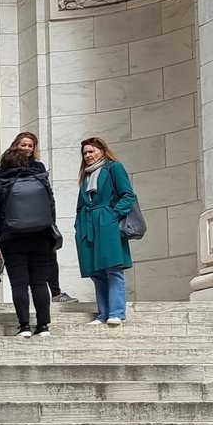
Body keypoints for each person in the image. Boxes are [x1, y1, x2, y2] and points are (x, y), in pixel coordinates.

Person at [0, 131, 62, 337]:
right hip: (41, 237)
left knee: (19, 284)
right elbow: (51, 208)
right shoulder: (41, 180)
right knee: (39, 282)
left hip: (12, 239)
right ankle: (43, 326)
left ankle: (25, 326)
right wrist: (51, 232)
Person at [74, 136, 137, 327]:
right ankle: (103, 314)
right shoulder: (86, 176)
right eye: (85, 153)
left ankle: (116, 312)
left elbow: (128, 195)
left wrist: (113, 215)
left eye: (91, 151)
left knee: (112, 268)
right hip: (87, 224)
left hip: (107, 222)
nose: (88, 155)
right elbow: (80, 205)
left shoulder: (113, 168)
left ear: (102, 150)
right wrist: (78, 225)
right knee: (96, 272)